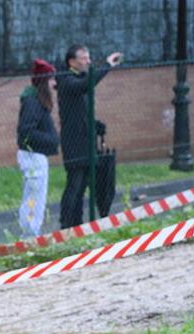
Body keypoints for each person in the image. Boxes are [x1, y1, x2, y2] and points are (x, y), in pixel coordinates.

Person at [57, 44, 122, 228]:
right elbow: (85, 85)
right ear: (72, 61)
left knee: (83, 185)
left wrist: (96, 126)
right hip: (74, 144)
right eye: (84, 58)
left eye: (88, 58)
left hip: (87, 142)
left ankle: (77, 224)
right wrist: (107, 66)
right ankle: (67, 224)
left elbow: (84, 112)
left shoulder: (80, 77)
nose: (88, 61)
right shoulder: (66, 79)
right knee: (75, 185)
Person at [16, 59, 60, 237]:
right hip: (33, 156)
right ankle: (29, 235)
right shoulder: (33, 103)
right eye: (52, 80)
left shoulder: (35, 102)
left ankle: (32, 233)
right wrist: (51, 139)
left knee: (37, 197)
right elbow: (25, 132)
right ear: (44, 81)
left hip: (36, 156)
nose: (54, 84)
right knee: (33, 198)